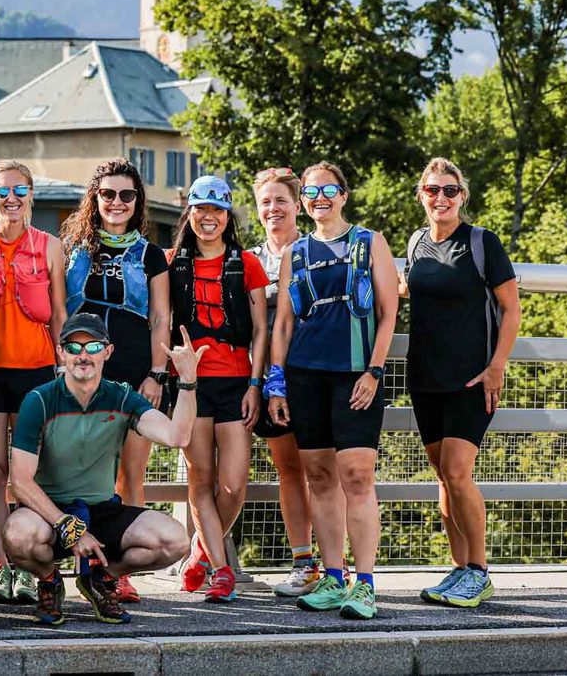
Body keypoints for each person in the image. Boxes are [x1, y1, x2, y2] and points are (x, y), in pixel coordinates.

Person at [2, 313, 201, 626]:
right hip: (49, 512)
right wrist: (68, 526)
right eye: (74, 347)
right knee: (17, 533)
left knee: (175, 540)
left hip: (102, 510)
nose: (84, 355)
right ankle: (49, 580)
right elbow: (21, 481)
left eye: (93, 347)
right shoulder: (38, 400)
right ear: (61, 352)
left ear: (107, 352)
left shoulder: (121, 396)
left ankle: (101, 579)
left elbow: (178, 436)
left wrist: (188, 381)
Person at [266, 161, 399, 620]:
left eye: (328, 190)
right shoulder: (295, 253)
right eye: (310, 192)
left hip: (355, 374)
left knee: (358, 476)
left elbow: (387, 313)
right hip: (305, 376)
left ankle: (365, 585)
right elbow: (283, 322)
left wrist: (374, 371)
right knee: (319, 478)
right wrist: (276, 381)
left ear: (344, 195)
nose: (319, 198)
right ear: (303, 201)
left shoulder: (369, 242)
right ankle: (332, 575)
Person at [402, 158, 520, 608]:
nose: (441, 198)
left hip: (473, 378)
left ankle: (480, 570)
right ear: (421, 195)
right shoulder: (415, 244)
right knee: (442, 477)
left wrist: (498, 365)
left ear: (462, 196)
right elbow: (408, 291)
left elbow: (510, 308)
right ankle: (459, 568)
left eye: (450, 191)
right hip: (425, 376)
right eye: (432, 190)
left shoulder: (481, 242)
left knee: (457, 471)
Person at [163, 176, 269, 602]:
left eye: (217, 210)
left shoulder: (247, 264)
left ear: (228, 216)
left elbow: (261, 330)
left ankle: (200, 553)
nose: (209, 218)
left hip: (236, 380)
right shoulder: (172, 263)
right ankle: (222, 570)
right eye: (201, 209)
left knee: (235, 483)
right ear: (189, 213)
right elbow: (158, 318)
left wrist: (256, 384)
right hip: (190, 383)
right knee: (200, 477)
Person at [59, 159, 171, 549]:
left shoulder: (151, 254)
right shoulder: (72, 249)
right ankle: (81, 559)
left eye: (126, 194)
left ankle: (122, 567)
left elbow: (160, 317)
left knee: (130, 474)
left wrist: (157, 374)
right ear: (95, 197)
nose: (117, 202)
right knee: (80, 476)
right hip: (80, 372)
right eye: (108, 194)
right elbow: (59, 310)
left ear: (137, 200)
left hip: (135, 372)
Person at [0, 160, 64, 606]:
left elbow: (61, 314)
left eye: (20, 190)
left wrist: (65, 367)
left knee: (31, 474)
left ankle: (29, 569)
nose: (12, 199)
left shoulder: (49, 246)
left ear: (31, 196)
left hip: (37, 372)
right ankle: (0, 569)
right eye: (2, 191)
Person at [249, 167, 325, 598]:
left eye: (281, 200)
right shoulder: (253, 259)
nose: (273, 208)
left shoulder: (317, 249)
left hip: (318, 372)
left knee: (326, 471)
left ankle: (338, 563)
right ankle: (303, 561)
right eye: (265, 202)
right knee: (289, 469)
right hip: (271, 379)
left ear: (298, 205)